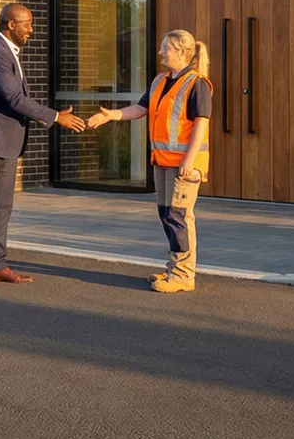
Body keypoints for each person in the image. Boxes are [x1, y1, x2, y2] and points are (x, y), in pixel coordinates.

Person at [0, 2, 86, 289]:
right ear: (11, 24)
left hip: (6, 142)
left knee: (2, 207)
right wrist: (56, 117)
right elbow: (14, 99)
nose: (31, 30)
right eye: (27, 24)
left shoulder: (8, 52)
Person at [87, 29, 212, 293]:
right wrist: (112, 115)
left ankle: (183, 274)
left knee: (179, 216)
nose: (160, 52)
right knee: (166, 214)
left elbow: (201, 123)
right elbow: (141, 109)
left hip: (184, 165)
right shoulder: (160, 81)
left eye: (165, 47)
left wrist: (189, 160)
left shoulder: (196, 83)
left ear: (180, 51)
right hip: (163, 161)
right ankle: (174, 268)